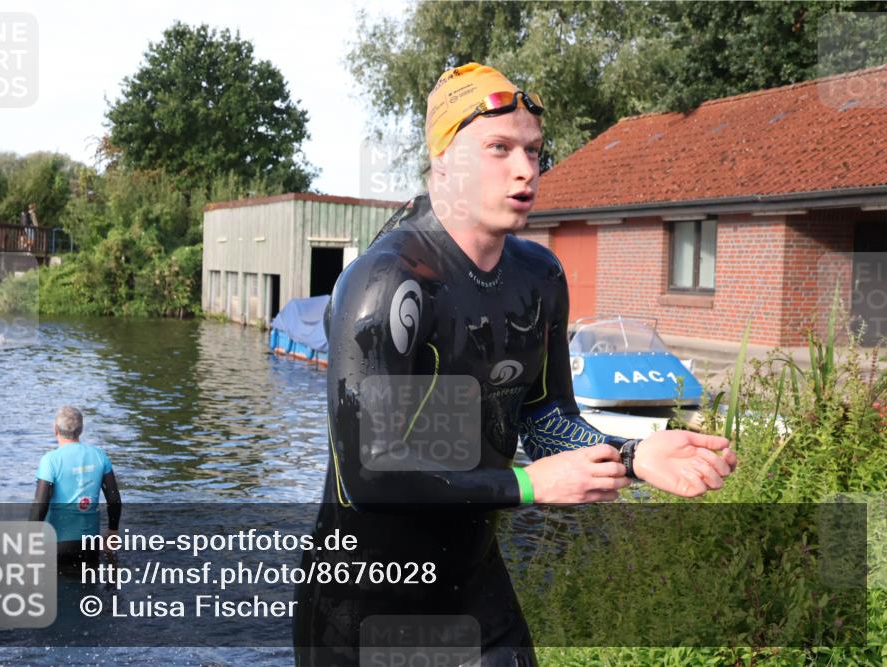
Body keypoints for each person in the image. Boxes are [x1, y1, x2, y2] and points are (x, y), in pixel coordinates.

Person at [293, 63, 738, 665]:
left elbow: (546, 417)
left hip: (474, 588)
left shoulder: (539, 278)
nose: (526, 169)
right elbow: (369, 476)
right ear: (444, 158)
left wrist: (635, 455)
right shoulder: (386, 283)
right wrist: (529, 484)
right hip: (366, 603)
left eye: (533, 150)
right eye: (498, 149)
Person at [29, 406, 122, 570]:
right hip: (90, 546)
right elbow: (114, 498)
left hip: (57, 545)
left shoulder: (50, 461)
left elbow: (40, 504)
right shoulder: (99, 456)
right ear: (81, 430)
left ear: (55, 429)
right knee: (89, 591)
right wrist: (112, 531)